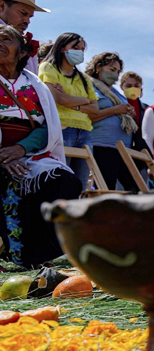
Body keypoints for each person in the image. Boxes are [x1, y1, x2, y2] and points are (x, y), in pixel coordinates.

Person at [0, 25, 81, 266]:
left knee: (63, 182)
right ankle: (15, 254)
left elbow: (49, 127)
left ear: (22, 52)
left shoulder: (35, 85)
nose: (0, 43)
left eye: (6, 39)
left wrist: (21, 149)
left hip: (30, 154)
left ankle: (47, 255)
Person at [38, 33, 99, 188]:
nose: (79, 52)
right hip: (62, 130)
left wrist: (73, 102)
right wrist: (84, 100)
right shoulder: (47, 67)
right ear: (61, 48)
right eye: (75, 47)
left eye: (82, 49)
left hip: (85, 133)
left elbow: (95, 109)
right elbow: (58, 99)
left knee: (80, 184)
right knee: (60, 183)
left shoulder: (84, 78)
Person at [85, 52, 140, 191]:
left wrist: (127, 112)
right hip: (101, 147)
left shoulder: (116, 93)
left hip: (123, 149)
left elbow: (120, 110)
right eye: (111, 69)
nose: (115, 74)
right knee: (106, 189)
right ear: (99, 67)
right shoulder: (88, 86)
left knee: (134, 189)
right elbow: (88, 115)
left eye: (117, 71)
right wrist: (116, 110)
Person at [0, 0, 49, 75]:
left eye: (30, 17)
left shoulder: (26, 43)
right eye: (23, 13)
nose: (27, 21)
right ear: (1, 6)